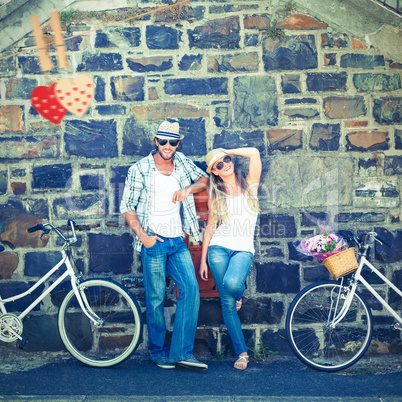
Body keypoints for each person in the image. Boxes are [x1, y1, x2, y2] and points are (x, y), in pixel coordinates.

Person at [120, 121, 209, 371]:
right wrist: (144, 237)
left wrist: (188, 188)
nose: (168, 146)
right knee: (156, 298)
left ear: (178, 143)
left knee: (190, 290)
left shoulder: (181, 161)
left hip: (177, 242)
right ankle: (158, 351)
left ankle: (181, 352)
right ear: (155, 141)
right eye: (163, 141)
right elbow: (127, 206)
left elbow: (204, 179)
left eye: (173, 142)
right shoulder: (140, 169)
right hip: (154, 241)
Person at [199, 147, 262, 370]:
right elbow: (210, 227)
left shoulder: (250, 184)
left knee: (233, 284)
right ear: (214, 172)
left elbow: (254, 153)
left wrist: (230, 151)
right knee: (227, 303)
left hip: (243, 249)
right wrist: (203, 259)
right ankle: (242, 353)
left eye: (226, 160)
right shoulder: (217, 195)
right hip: (219, 247)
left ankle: (239, 292)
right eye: (219, 164)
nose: (225, 164)